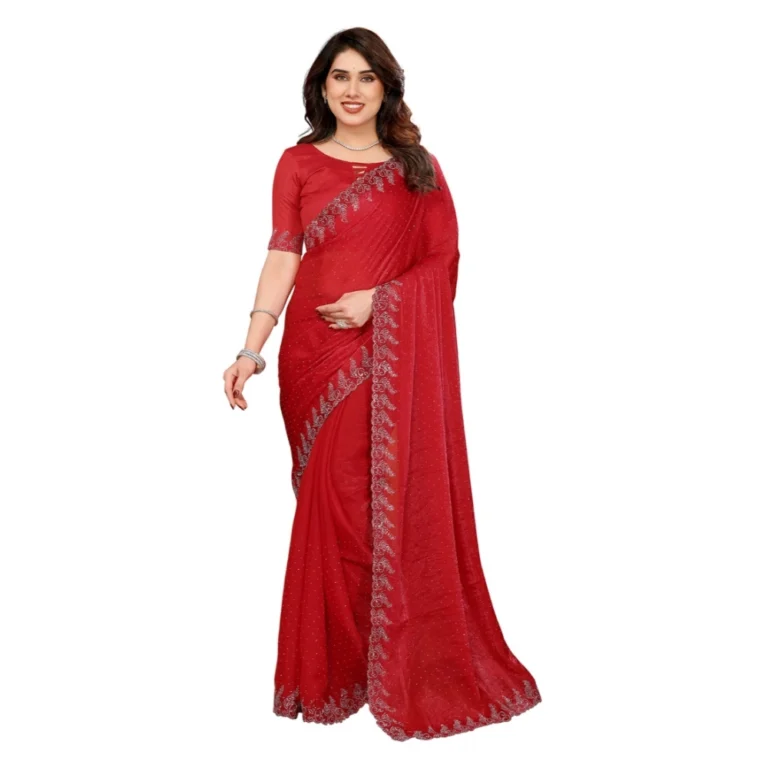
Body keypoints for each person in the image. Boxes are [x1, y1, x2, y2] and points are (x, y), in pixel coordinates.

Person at [222, 27, 542, 742]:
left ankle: (394, 664)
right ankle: (336, 672)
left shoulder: (416, 168)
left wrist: (380, 301)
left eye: (367, 77)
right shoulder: (297, 162)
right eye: (340, 76)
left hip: (384, 354)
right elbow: (283, 255)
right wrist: (250, 348)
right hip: (313, 359)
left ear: (387, 88)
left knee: (379, 502)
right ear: (321, 86)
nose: (352, 90)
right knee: (332, 509)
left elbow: (442, 262)